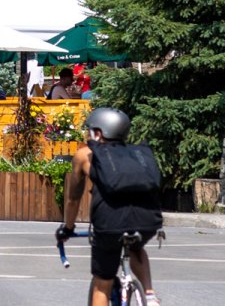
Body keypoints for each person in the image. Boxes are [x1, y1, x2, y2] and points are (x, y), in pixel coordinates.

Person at [59, 107, 163, 306]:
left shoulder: (86, 154)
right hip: (148, 219)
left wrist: (68, 228)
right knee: (136, 247)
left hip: (110, 222)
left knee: (102, 284)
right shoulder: (137, 154)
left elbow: (73, 198)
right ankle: (149, 295)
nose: (87, 135)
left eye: (90, 130)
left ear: (99, 133)